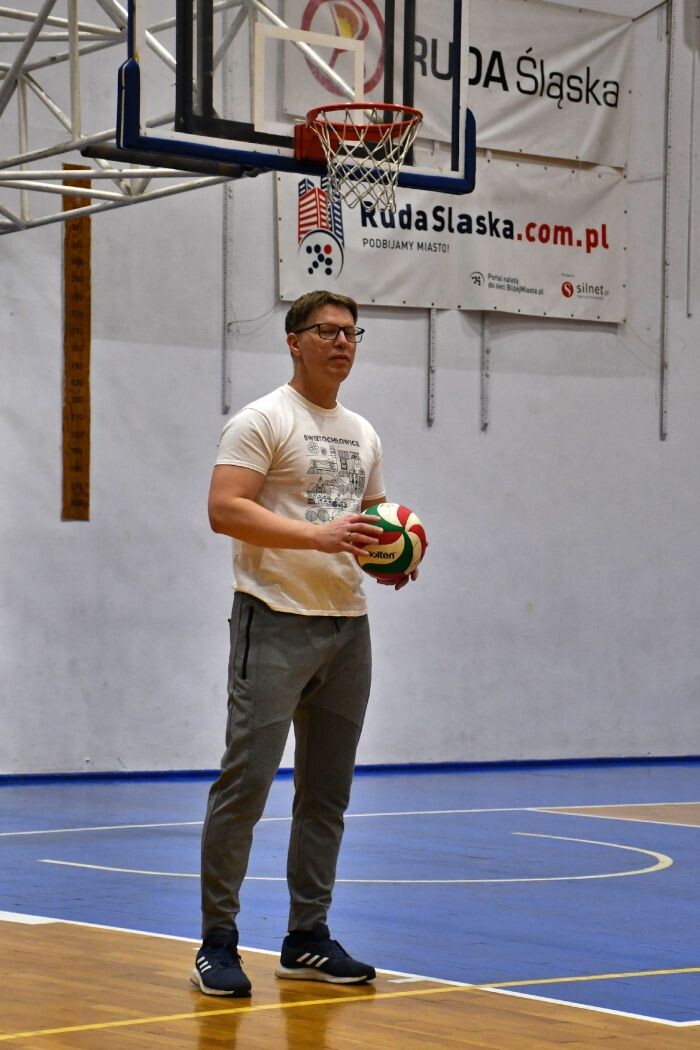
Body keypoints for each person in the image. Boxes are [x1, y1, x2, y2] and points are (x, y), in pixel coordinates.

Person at [191, 290, 417, 998]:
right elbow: (224, 508)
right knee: (246, 785)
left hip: (348, 627)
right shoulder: (263, 420)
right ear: (295, 341)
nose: (343, 342)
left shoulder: (362, 431)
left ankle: (307, 939)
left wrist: (394, 557)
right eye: (327, 331)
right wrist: (317, 536)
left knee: (327, 794)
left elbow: (372, 520)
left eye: (351, 333)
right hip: (274, 617)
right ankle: (217, 943)